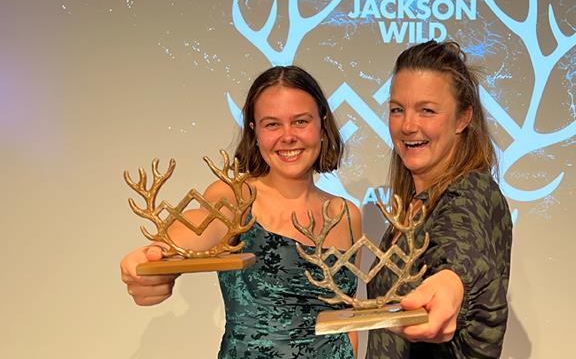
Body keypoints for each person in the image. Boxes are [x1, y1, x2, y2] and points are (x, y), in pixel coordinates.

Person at [120, 66, 362, 359]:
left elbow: (347, 319)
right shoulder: (234, 198)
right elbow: (199, 227)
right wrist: (154, 255)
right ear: (254, 131)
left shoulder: (346, 214)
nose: (288, 136)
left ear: (322, 125)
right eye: (272, 124)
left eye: (300, 121)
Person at [367, 40, 513, 358]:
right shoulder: (413, 206)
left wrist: (450, 284)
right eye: (397, 110)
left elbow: (462, 248)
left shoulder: (473, 190)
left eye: (427, 111)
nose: (408, 125)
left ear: (463, 118)